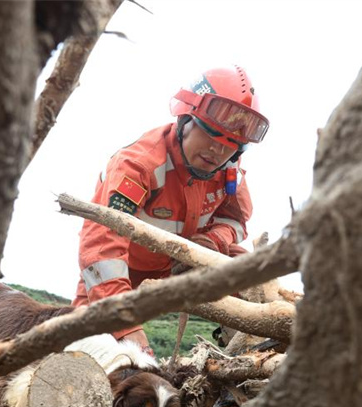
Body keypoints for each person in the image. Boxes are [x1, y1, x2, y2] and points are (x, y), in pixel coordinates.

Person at [71, 65, 270, 356]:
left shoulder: (230, 173)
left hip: (182, 266)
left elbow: (237, 221)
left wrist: (216, 239)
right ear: (185, 120)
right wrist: (128, 331)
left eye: (229, 146)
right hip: (126, 272)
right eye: (210, 136)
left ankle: (252, 352)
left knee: (254, 279)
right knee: (87, 346)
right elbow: (102, 252)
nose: (217, 152)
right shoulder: (138, 166)